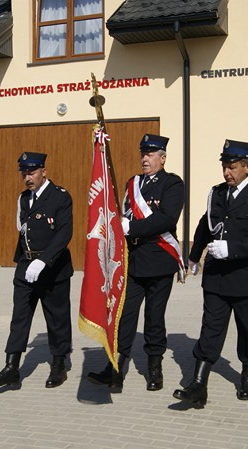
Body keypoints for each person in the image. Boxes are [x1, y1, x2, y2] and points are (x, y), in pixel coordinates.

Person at [173, 139, 248, 407]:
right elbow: (204, 225)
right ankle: (198, 384)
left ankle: (247, 374)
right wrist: (194, 256)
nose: (226, 173)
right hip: (217, 277)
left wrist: (231, 248)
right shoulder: (218, 193)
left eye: (232, 167)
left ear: (247, 166)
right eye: (224, 167)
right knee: (211, 328)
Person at [86, 133, 185, 393]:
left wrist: (133, 227)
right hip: (134, 260)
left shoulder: (172, 184)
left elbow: (166, 219)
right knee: (124, 316)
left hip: (160, 258)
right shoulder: (133, 183)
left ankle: (154, 369)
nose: (145, 159)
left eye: (150, 154)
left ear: (163, 158)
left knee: (154, 317)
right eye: (143, 154)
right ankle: (115, 369)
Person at [0, 151, 73, 388]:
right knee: (20, 317)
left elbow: (65, 232)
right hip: (26, 265)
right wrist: (28, 259)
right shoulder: (24, 198)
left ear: (43, 171)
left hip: (53, 267)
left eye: (31, 173)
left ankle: (58, 366)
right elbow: (22, 229)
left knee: (57, 318)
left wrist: (43, 260)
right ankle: (11, 367)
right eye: (24, 173)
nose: (27, 178)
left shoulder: (60, 196)